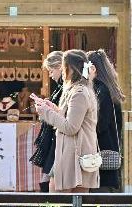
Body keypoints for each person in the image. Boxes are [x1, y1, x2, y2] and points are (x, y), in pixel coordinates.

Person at [34, 49, 99, 192]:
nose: (62, 71)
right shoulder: (78, 89)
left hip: (75, 156)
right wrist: (53, 109)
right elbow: (72, 118)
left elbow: (71, 127)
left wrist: (46, 113)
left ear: (71, 68)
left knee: (60, 198)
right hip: (75, 153)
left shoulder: (79, 92)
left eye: (63, 67)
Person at [87, 49, 125, 192]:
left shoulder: (100, 90)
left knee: (101, 193)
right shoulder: (109, 87)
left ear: (93, 68)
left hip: (101, 152)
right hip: (110, 146)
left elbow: (101, 123)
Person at [29, 51, 63, 192]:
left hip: (58, 136)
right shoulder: (62, 87)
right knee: (48, 176)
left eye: (51, 71)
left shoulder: (68, 88)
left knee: (50, 179)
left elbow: (64, 115)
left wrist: (48, 108)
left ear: (60, 66)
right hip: (54, 136)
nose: (50, 75)